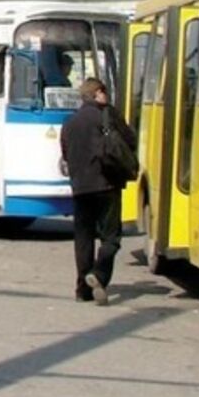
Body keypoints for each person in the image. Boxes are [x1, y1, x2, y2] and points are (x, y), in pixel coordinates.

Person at [60, 78, 135, 305]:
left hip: (80, 188)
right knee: (111, 238)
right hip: (107, 185)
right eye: (104, 92)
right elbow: (129, 141)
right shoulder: (108, 116)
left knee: (83, 238)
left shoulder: (70, 123)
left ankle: (83, 290)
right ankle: (99, 274)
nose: (106, 96)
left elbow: (66, 154)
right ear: (98, 93)